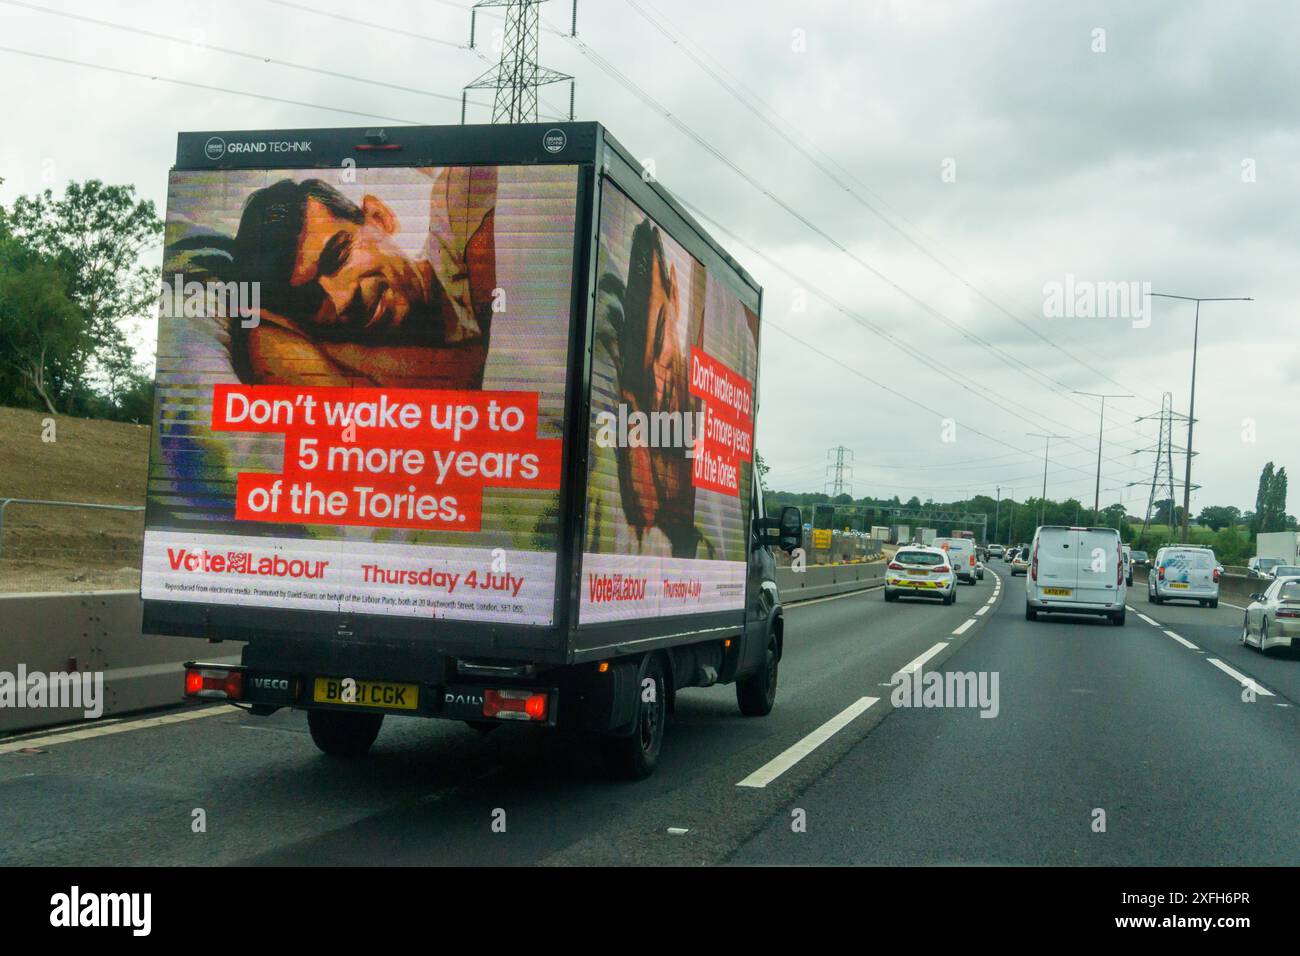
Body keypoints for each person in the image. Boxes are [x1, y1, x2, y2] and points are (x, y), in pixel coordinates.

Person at [225, 170, 497, 388]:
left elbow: (493, 375)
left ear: (379, 218)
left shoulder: (460, 205)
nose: (341, 301)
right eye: (310, 300)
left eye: (338, 255)